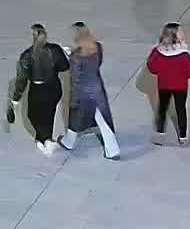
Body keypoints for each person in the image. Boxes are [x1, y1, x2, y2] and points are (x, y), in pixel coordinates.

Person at [8, 24, 71, 156]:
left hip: (37, 89)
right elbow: (64, 66)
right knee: (49, 114)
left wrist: (15, 98)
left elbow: (21, 79)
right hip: (53, 87)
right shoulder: (54, 49)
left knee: (33, 115)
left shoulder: (27, 56)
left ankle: (44, 139)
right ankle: (45, 139)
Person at [60, 22, 120, 159]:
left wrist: (73, 97)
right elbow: (97, 64)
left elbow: (75, 78)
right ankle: (112, 148)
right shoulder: (97, 47)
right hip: (96, 87)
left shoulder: (76, 56)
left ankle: (69, 141)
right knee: (103, 119)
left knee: (76, 116)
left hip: (83, 91)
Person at [146, 23, 190, 147]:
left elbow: (152, 68)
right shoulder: (184, 54)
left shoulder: (158, 51)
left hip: (163, 86)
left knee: (162, 109)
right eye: (180, 32)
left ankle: (160, 134)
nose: (183, 34)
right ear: (175, 36)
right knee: (181, 110)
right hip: (180, 87)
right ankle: (183, 137)